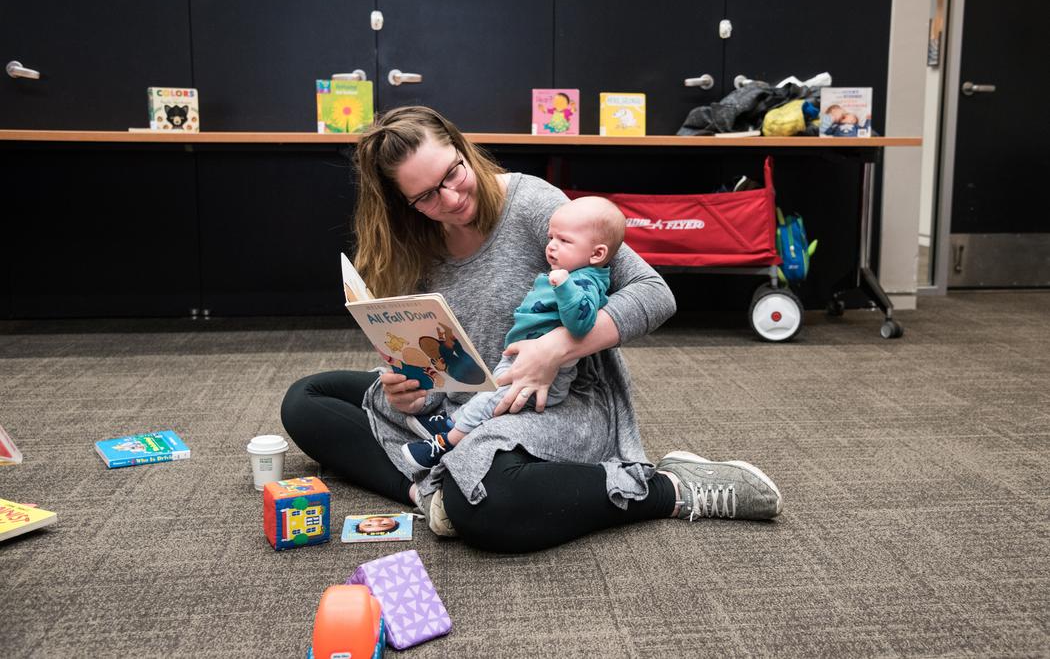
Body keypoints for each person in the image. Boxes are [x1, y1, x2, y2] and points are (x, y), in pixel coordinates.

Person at [281, 105, 782, 553]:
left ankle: (667, 488)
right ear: (403, 203)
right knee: (307, 399)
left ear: (462, 147)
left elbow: (654, 292)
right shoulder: (416, 239)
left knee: (487, 505)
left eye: (453, 172)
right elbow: (433, 349)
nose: (452, 198)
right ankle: (429, 491)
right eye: (427, 196)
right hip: (465, 400)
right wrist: (408, 389)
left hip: (563, 401)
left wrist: (558, 347)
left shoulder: (529, 203)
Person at [399, 195, 625, 472]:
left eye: (564, 241)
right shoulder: (569, 271)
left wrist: (564, 286)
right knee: (486, 397)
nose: (551, 246)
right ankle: (453, 421)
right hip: (521, 360)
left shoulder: (585, 281)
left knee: (490, 402)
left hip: (547, 377)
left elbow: (581, 324)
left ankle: (446, 443)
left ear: (597, 254)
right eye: (551, 237)